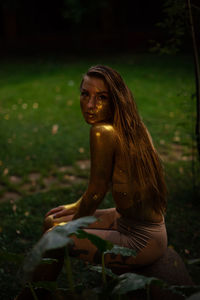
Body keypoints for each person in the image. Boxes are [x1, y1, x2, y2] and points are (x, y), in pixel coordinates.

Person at [44, 65, 168, 272]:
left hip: (141, 239)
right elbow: (93, 193)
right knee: (52, 219)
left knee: (53, 237)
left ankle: (33, 294)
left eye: (102, 97)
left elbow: (96, 192)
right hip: (127, 219)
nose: (91, 105)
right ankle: (43, 291)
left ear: (116, 100)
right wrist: (76, 206)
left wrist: (71, 228)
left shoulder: (103, 132)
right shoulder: (133, 126)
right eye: (85, 94)